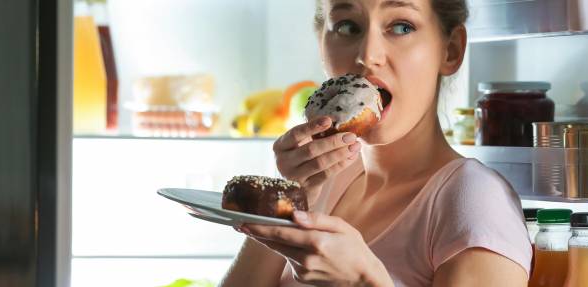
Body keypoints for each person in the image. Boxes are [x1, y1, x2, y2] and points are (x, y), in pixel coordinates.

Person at [220, 0, 531, 286]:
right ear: (321, 45)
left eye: (401, 27)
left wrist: (364, 281)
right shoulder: (328, 179)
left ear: (450, 51)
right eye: (347, 27)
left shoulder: (474, 201)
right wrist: (288, 198)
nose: (367, 56)